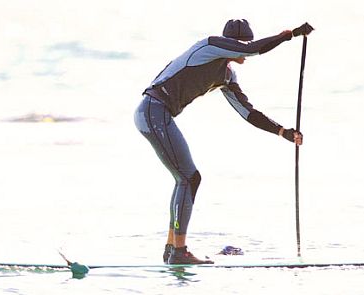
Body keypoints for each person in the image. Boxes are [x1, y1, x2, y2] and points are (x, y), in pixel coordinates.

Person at [134, 19, 314, 264]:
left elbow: (247, 112)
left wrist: (283, 132)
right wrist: (289, 35)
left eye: (245, 43)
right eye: (240, 45)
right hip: (153, 111)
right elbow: (253, 49)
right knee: (189, 178)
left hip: (156, 115)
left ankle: (172, 248)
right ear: (229, 43)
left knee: (184, 179)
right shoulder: (208, 46)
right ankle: (179, 252)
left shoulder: (227, 75)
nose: (244, 50)